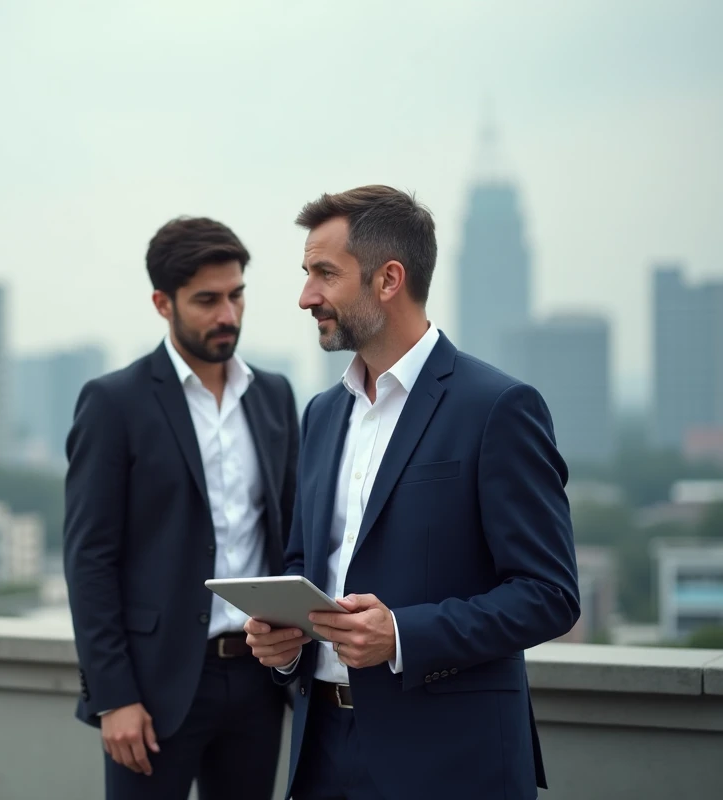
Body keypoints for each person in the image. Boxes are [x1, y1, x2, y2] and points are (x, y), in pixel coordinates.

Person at [244, 185, 580, 800]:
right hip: (318, 754)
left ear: (388, 279)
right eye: (305, 274)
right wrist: (285, 642)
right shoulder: (321, 415)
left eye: (324, 273)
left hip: (449, 761)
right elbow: (303, 565)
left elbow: (550, 595)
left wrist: (402, 635)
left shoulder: (498, 408)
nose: (305, 297)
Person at [64, 216, 299, 800]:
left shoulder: (273, 395)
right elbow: (89, 559)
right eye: (207, 300)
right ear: (161, 303)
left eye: (237, 295)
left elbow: (290, 532)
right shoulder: (113, 403)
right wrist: (113, 696)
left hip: (257, 678)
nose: (228, 315)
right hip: (152, 688)